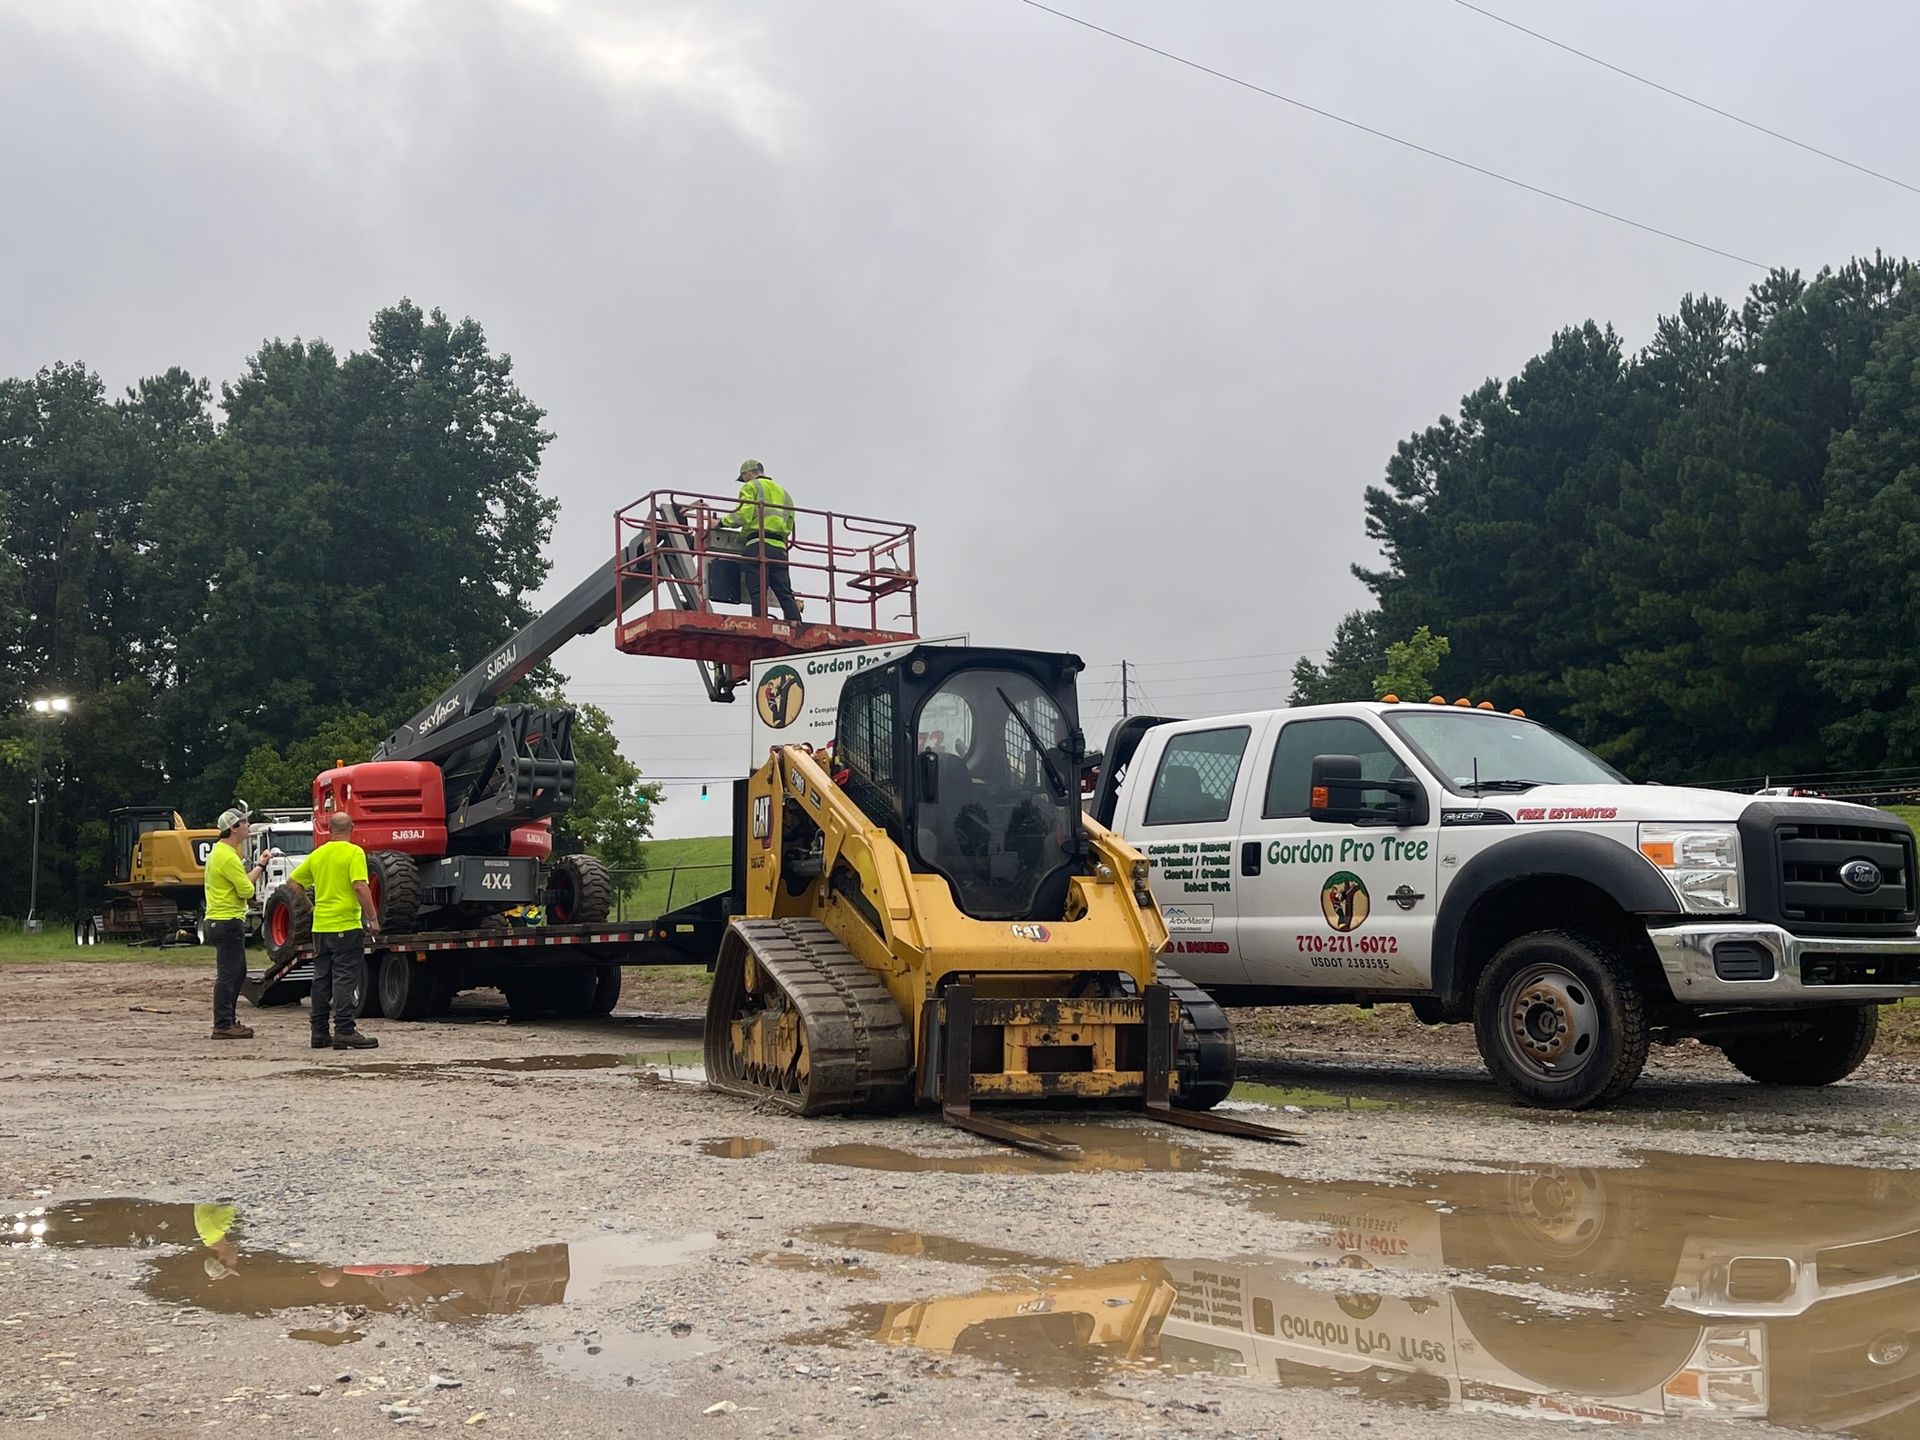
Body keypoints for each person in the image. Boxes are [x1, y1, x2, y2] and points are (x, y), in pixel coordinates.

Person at [287, 813, 381, 1050]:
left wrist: (312, 909)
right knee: (344, 978)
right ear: (352, 828)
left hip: (321, 927)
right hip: (345, 925)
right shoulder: (353, 853)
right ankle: (344, 1029)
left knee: (321, 979)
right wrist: (372, 918)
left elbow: (293, 884)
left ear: (329, 829)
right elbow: (359, 886)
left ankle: (318, 1032)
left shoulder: (318, 854)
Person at [203, 806, 275, 1040]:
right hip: (227, 921)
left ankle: (228, 1020)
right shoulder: (227, 856)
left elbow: (239, 887)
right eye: (244, 823)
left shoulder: (218, 852)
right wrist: (259, 868)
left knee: (236, 972)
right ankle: (223, 1023)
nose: (248, 826)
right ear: (234, 828)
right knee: (229, 974)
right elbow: (246, 889)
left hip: (217, 920)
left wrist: (258, 867)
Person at [721, 460, 803, 624]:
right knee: (784, 590)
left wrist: (721, 523)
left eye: (744, 478)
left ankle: (760, 623)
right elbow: (789, 524)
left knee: (758, 590)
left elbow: (743, 514)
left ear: (748, 474)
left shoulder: (751, 486)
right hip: (779, 548)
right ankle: (796, 624)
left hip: (757, 544)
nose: (744, 481)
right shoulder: (784, 493)